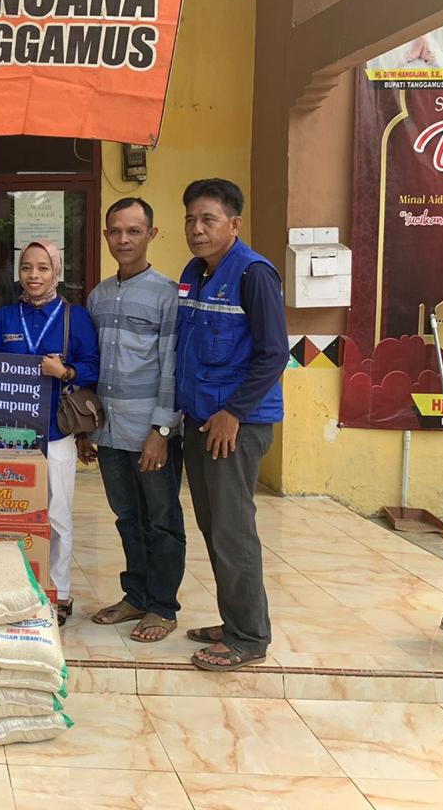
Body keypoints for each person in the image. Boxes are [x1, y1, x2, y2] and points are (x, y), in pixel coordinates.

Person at [176, 179, 288, 672]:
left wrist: (234, 413)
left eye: (208, 220)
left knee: (232, 529)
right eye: (190, 219)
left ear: (234, 224)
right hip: (201, 420)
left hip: (235, 426)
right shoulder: (194, 272)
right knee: (214, 525)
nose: (196, 229)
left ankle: (248, 637)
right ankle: (235, 619)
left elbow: (274, 354)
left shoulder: (254, 274)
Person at [81, 198, 186, 643]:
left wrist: (161, 430)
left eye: (134, 231)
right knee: (127, 517)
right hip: (108, 431)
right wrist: (86, 428)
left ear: (151, 235)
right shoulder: (98, 296)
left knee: (161, 520)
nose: (123, 239)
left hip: (150, 432)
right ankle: (136, 596)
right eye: (115, 231)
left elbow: (173, 367)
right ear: (106, 235)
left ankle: (162, 607)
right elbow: (90, 365)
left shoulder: (168, 295)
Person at [0, 240, 98, 626]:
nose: (34, 276)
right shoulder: (4, 318)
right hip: (10, 434)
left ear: (57, 273)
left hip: (56, 431)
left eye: (43, 268)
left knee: (58, 515)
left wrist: (65, 372)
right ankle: (10, 586)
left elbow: (94, 366)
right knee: (8, 513)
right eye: (27, 268)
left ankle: (59, 592)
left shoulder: (73, 317)